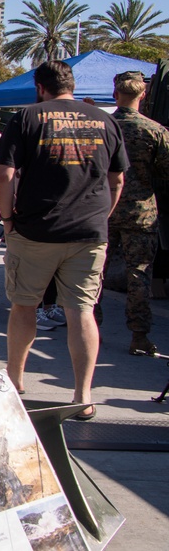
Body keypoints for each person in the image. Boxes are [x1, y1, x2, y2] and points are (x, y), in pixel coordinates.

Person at [0, 60, 127, 420]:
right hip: (89, 232)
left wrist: (7, 222)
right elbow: (117, 181)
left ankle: (15, 381)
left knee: (24, 306)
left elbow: (4, 176)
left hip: (36, 230)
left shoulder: (27, 117)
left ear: (40, 86)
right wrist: (102, 217)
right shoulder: (105, 120)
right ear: (71, 83)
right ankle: (82, 396)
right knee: (81, 312)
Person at [105, 71, 169, 356]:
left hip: (102, 209)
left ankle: (89, 326)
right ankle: (139, 336)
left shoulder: (102, 127)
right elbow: (165, 172)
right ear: (143, 95)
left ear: (115, 93)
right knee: (139, 274)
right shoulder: (155, 130)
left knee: (92, 272)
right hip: (141, 212)